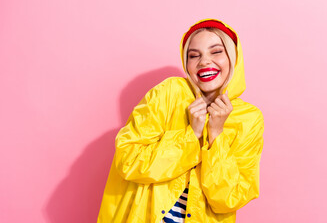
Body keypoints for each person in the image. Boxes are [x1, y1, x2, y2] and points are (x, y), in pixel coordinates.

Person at [97, 19, 264, 223]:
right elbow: (128, 160)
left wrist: (216, 136)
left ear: (233, 58)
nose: (204, 62)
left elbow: (228, 199)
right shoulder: (169, 93)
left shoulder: (249, 119)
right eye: (194, 55)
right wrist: (191, 135)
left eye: (216, 51)